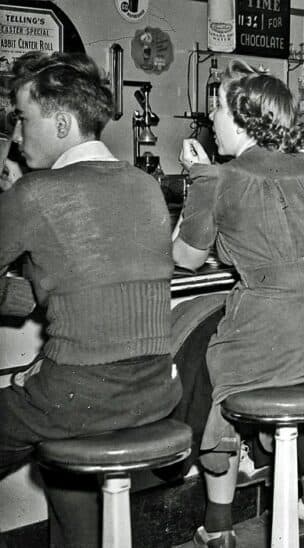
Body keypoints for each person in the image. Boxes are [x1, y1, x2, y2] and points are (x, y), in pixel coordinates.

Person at [0, 51, 181, 547]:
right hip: (156, 388)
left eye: (22, 118)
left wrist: (15, 202)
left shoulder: (36, 194)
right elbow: (81, 286)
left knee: (41, 409)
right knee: (59, 448)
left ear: (60, 123)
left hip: (82, 393)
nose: (16, 136)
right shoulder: (145, 185)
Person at [173, 61, 304, 546]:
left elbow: (185, 258)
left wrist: (197, 180)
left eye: (218, 109)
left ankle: (218, 524)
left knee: (201, 370)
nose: (211, 118)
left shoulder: (220, 178)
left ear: (241, 120)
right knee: (267, 364)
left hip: (270, 331)